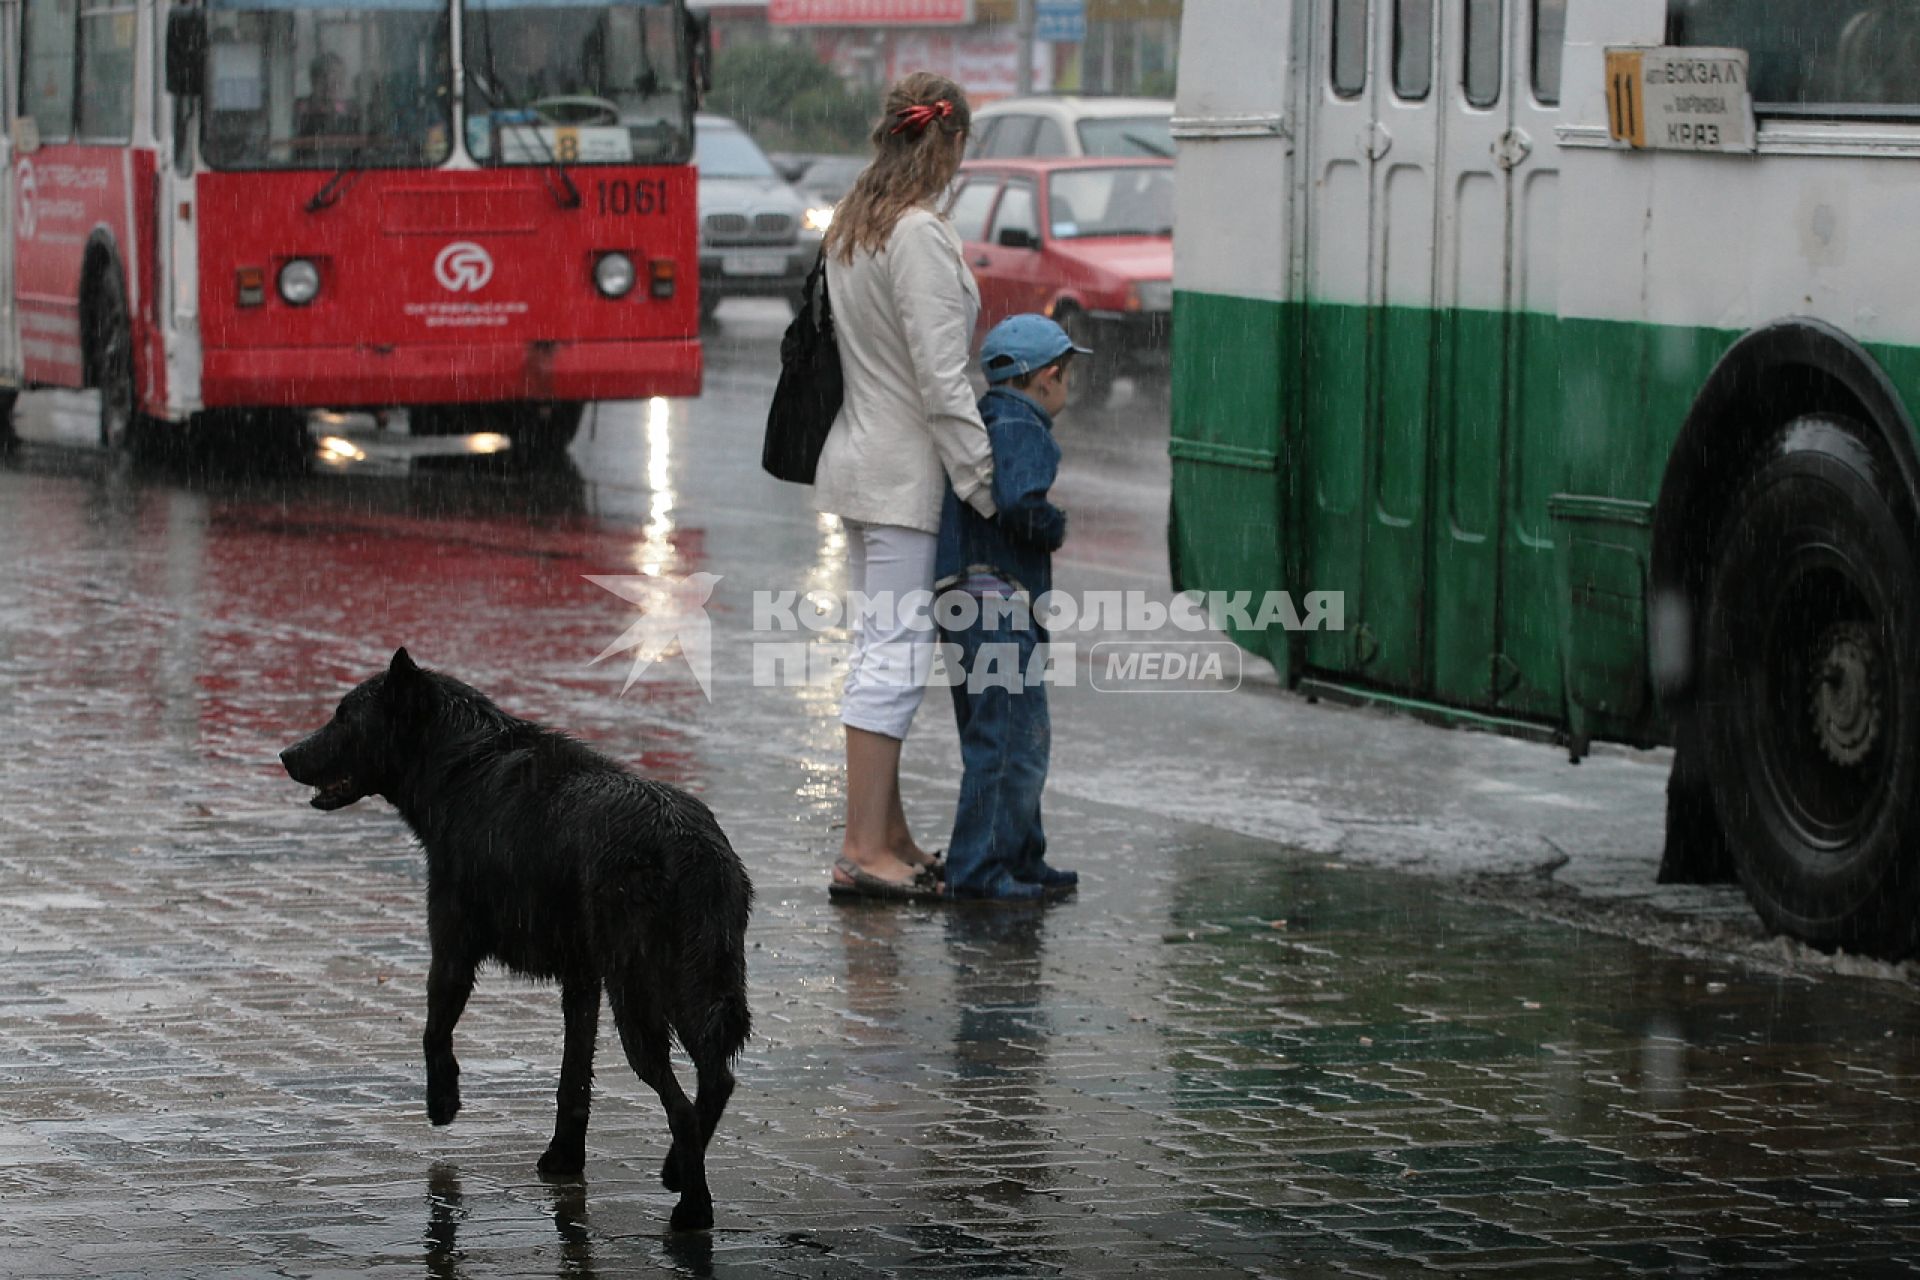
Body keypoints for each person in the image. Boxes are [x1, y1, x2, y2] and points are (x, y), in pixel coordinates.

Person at [816, 73, 995, 903]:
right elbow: (940, 377)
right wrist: (984, 478)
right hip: (903, 478)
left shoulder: (856, 223)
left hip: (860, 461)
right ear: (947, 142)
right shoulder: (918, 233)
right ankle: (861, 847)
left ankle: (889, 833)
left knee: (882, 650)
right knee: (894, 658)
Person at [935, 315, 1087, 902]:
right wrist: (1054, 526)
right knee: (1012, 744)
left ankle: (1022, 857)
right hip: (996, 606)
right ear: (1048, 377)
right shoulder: (1024, 426)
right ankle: (980, 872)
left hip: (965, 601)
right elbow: (1022, 502)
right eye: (1067, 375)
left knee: (999, 736)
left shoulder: (984, 417)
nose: (1067, 387)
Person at [295, 53, 358, 138]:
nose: (329, 84)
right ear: (313, 80)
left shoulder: (352, 112)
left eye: (337, 79)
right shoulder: (298, 110)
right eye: (324, 78)